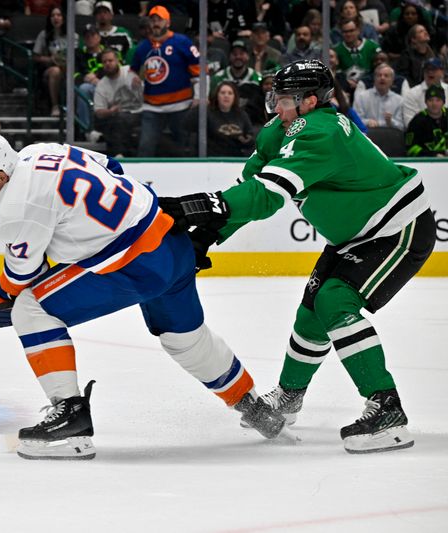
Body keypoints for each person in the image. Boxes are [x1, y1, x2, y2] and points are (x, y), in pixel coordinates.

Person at [0, 130, 287, 460]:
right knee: (185, 339)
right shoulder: (39, 152)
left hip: (134, 265)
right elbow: (113, 167)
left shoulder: (13, 204)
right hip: (171, 237)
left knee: (29, 308)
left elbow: (23, 274)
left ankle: (71, 416)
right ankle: (254, 406)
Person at [158, 59, 436, 454]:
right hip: (356, 235)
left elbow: (267, 196)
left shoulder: (320, 132)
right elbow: (250, 190)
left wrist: (192, 207)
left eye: (284, 99)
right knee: (312, 311)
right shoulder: (281, 129)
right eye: (274, 97)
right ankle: (290, 397)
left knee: (335, 300)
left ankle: (387, 408)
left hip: (396, 229)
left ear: (310, 101)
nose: (275, 106)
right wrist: (208, 233)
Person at [130, 5, 200, 157]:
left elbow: (199, 72)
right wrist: (134, 80)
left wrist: (199, 96)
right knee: (145, 147)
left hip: (180, 105)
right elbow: (133, 71)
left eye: (159, 20)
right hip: (152, 107)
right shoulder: (143, 47)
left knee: (183, 148)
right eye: (152, 20)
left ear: (168, 22)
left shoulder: (182, 42)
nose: (155, 23)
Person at [93, 48, 142, 157]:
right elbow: (98, 111)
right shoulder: (102, 84)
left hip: (141, 111)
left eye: (110, 61)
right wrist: (110, 111)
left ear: (118, 61)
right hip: (118, 116)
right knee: (115, 121)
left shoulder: (131, 71)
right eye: (104, 62)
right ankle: (119, 155)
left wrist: (141, 81)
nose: (107, 64)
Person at [33, 6, 76, 117]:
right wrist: (50, 59)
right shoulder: (44, 35)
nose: (55, 18)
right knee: (55, 71)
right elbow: (35, 57)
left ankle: (71, 107)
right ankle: (55, 106)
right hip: (50, 68)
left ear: (64, 18)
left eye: (59, 15)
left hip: (69, 69)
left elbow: (77, 55)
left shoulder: (73, 35)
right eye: (53, 15)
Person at [206, 80, 254, 157]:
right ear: (217, 95)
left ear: (234, 97)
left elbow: (250, 136)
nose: (226, 96)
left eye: (230, 93)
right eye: (223, 93)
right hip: (213, 158)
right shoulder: (208, 113)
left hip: (236, 158)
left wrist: (247, 140)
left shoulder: (242, 114)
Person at [353, 63, 404, 130]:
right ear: (374, 79)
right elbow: (354, 120)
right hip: (366, 135)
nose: (382, 78)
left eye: (386, 76)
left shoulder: (399, 100)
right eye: (379, 75)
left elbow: (402, 126)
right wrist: (367, 122)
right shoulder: (362, 97)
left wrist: (391, 122)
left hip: (389, 136)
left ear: (392, 81)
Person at [402, 58, 448, 126]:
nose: (430, 72)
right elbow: (409, 123)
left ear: (442, 72)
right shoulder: (411, 94)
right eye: (427, 69)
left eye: (433, 69)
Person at [405, 84, 447, 156]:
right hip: (426, 162)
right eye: (430, 100)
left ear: (443, 102)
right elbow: (410, 149)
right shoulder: (417, 121)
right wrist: (433, 155)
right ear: (426, 102)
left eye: (438, 100)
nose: (434, 104)